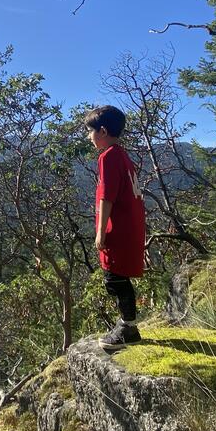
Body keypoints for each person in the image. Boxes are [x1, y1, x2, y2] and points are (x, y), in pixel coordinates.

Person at [84, 105, 146, 351]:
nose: (89, 136)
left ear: (103, 131)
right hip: (130, 225)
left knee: (115, 278)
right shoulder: (123, 156)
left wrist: (101, 232)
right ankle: (126, 325)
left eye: (90, 131)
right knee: (118, 276)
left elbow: (106, 197)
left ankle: (128, 328)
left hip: (117, 228)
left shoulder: (108, 157)